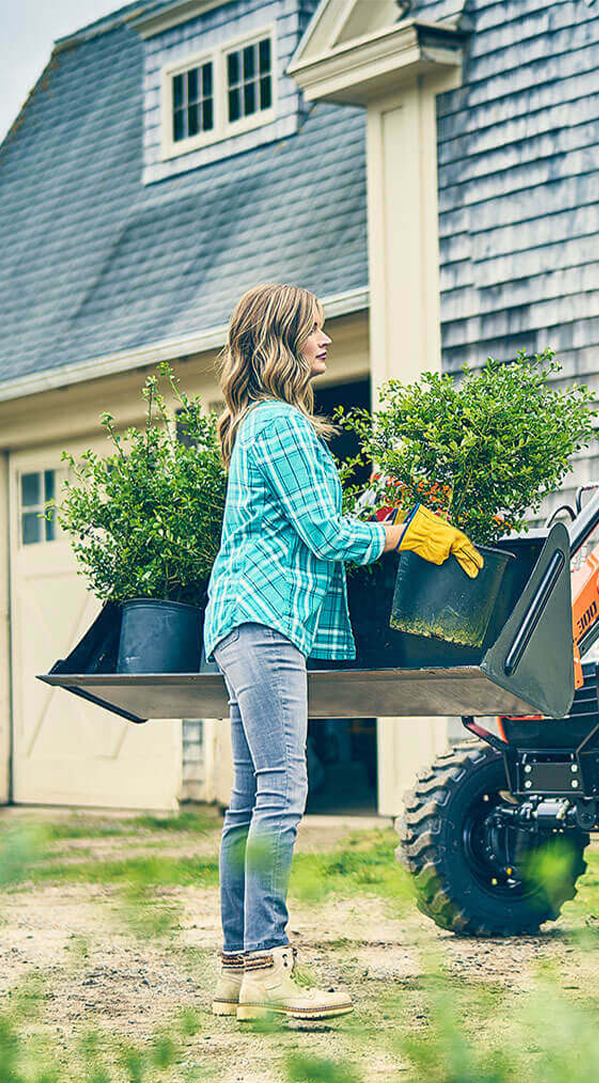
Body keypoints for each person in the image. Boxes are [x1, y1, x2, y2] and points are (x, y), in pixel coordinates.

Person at [201, 283, 482, 1025]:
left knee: (251, 798)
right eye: (316, 331)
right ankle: (268, 963)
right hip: (265, 623)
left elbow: (311, 525)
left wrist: (389, 517)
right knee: (284, 791)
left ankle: (240, 966)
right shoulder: (284, 426)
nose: (326, 342)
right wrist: (408, 533)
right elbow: (327, 538)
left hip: (237, 620)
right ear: (283, 341)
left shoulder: (254, 425)